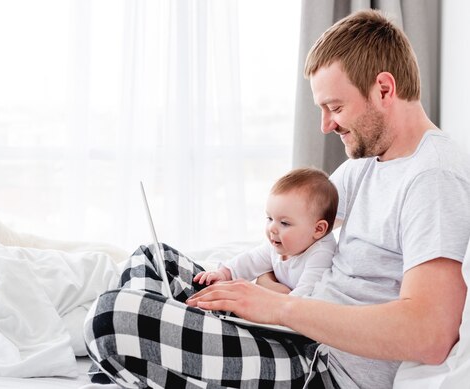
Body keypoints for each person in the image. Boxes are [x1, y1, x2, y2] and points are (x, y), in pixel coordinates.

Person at [84, 9, 470, 388]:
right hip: (298, 330)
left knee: (110, 318)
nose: (325, 125)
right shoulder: (368, 164)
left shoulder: (432, 177)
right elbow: (298, 230)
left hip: (321, 365)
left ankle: (124, 362)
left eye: (335, 107)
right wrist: (266, 289)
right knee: (154, 259)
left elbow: (430, 333)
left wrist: (280, 308)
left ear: (384, 89)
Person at [194, 167, 337, 298]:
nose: (272, 228)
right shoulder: (279, 243)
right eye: (269, 218)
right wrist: (224, 274)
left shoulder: (321, 254)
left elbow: (305, 296)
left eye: (285, 223)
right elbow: (251, 260)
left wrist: (277, 299)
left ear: (318, 229)